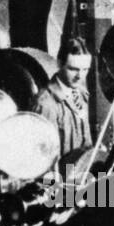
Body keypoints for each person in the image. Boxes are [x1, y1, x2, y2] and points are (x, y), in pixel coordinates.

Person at [32, 35, 93, 163]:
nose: (80, 76)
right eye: (73, 69)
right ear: (59, 64)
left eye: (85, 69)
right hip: (61, 179)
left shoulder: (82, 94)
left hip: (81, 176)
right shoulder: (46, 104)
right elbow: (44, 161)